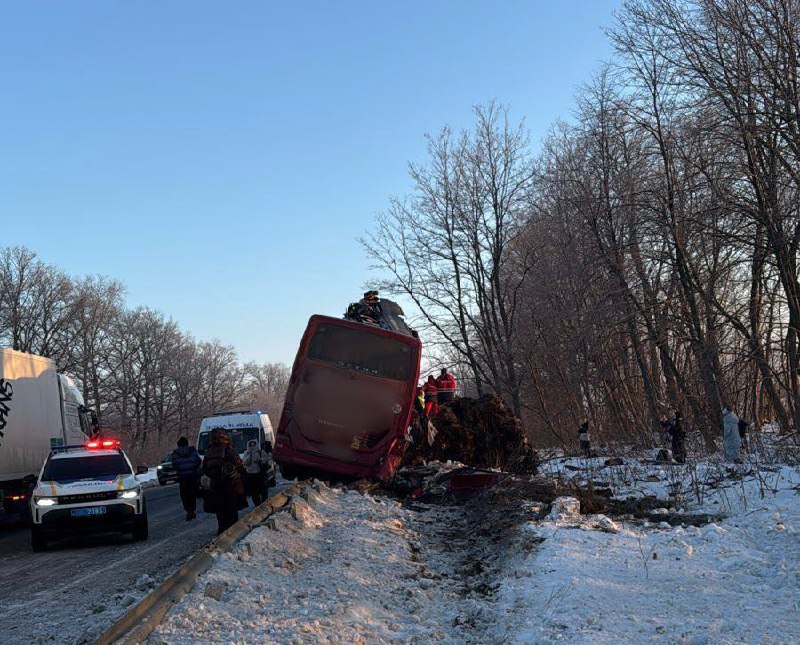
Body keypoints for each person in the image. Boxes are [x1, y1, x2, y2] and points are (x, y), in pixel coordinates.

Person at [202, 427, 244, 535]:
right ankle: (233, 532)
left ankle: (222, 530)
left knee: (220, 511)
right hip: (230, 484)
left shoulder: (208, 452)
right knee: (232, 509)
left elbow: (204, 470)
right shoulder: (228, 450)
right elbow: (239, 464)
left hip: (215, 486)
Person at [172, 436, 202, 520]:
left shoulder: (176, 454)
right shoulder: (192, 452)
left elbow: (174, 465)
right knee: (192, 494)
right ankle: (192, 510)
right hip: (192, 477)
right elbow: (198, 461)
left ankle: (188, 510)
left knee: (184, 495)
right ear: (187, 443)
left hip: (182, 478)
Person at [243, 439, 270, 506]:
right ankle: (257, 505)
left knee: (263, 491)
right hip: (251, 475)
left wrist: (260, 460)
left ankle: (264, 504)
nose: (252, 447)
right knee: (254, 492)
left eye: (254, 445)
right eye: (251, 445)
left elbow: (266, 459)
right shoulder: (246, 453)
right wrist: (250, 455)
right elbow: (245, 463)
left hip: (260, 474)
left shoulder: (261, 452)